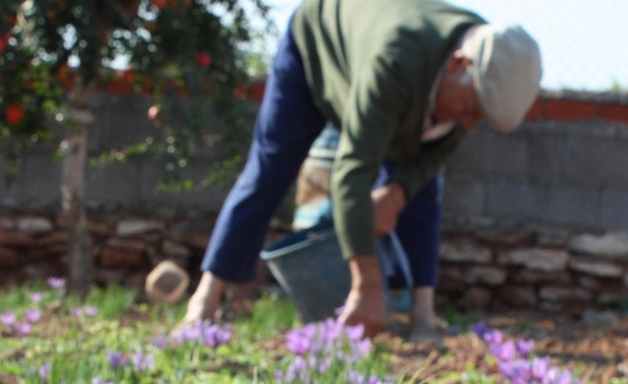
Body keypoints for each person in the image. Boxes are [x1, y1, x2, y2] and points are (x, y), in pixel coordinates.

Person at [182, 0, 541, 341]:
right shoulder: (398, 60)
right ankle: (205, 299)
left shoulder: (480, 75)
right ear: (457, 64)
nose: (467, 122)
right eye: (469, 108)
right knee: (270, 169)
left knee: (423, 188)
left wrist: (398, 191)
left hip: (385, 72)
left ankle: (423, 315)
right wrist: (366, 283)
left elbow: (432, 158)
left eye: (479, 118)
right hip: (318, 47)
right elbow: (353, 172)